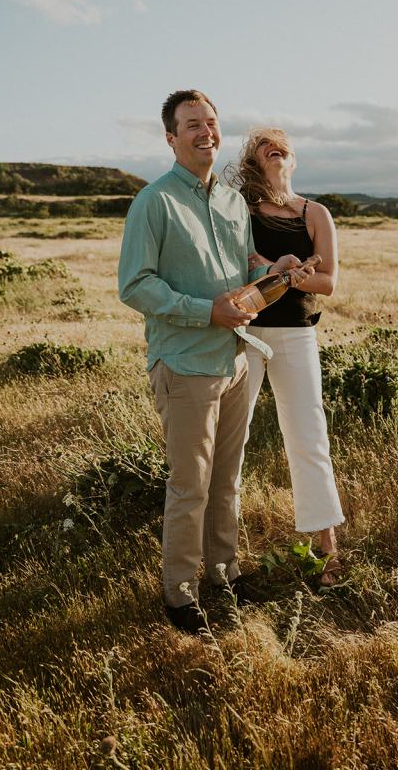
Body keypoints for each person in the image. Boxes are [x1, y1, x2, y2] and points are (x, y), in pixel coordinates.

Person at [118, 91, 308, 634]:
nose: (205, 132)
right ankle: (180, 595)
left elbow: (242, 260)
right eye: (191, 125)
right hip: (185, 364)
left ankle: (224, 573)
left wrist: (275, 266)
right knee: (190, 485)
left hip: (236, 360)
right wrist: (207, 311)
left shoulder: (229, 199)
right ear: (171, 137)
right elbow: (135, 285)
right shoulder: (153, 202)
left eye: (211, 123)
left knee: (228, 480)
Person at [228, 127, 345, 584]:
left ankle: (327, 550)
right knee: (231, 438)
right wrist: (276, 270)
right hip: (245, 332)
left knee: (308, 436)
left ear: (292, 160)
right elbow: (239, 262)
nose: (274, 147)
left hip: (296, 334)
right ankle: (224, 556)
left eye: (282, 144)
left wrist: (292, 279)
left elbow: (328, 282)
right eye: (263, 144)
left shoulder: (315, 213)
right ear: (254, 161)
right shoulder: (240, 209)